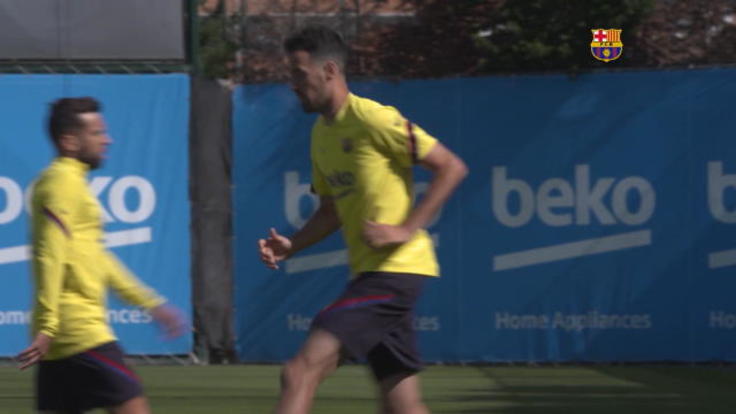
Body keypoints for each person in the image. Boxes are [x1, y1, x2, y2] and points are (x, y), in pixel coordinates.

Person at [257, 26, 468, 414]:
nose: (293, 85)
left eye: (299, 74)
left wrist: (405, 230)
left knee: (299, 372)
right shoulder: (321, 135)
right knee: (401, 402)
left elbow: (451, 167)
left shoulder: (373, 118)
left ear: (329, 71)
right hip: (372, 274)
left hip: (394, 273)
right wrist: (293, 244)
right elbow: (331, 210)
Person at [16, 97, 186, 414]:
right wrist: (48, 325)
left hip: (64, 337)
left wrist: (150, 303)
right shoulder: (61, 183)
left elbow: (98, 259)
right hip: (79, 332)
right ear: (69, 141)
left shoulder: (71, 183)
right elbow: (50, 255)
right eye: (97, 133)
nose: (108, 140)